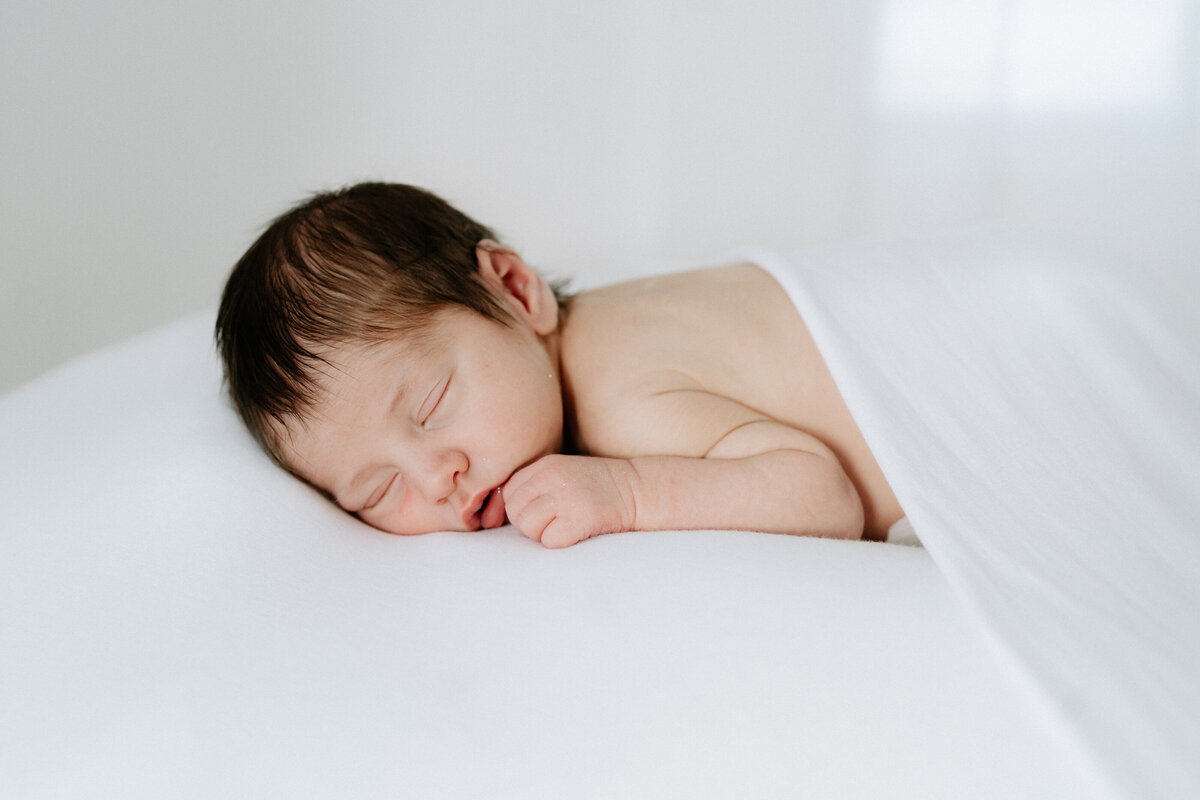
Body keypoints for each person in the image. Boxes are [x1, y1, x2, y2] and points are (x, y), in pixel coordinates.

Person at [216, 182, 906, 548]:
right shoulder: (564, 352)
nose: (434, 478)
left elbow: (824, 497)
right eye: (375, 489)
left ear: (515, 292)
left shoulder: (620, 396)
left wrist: (629, 492)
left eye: (429, 406)